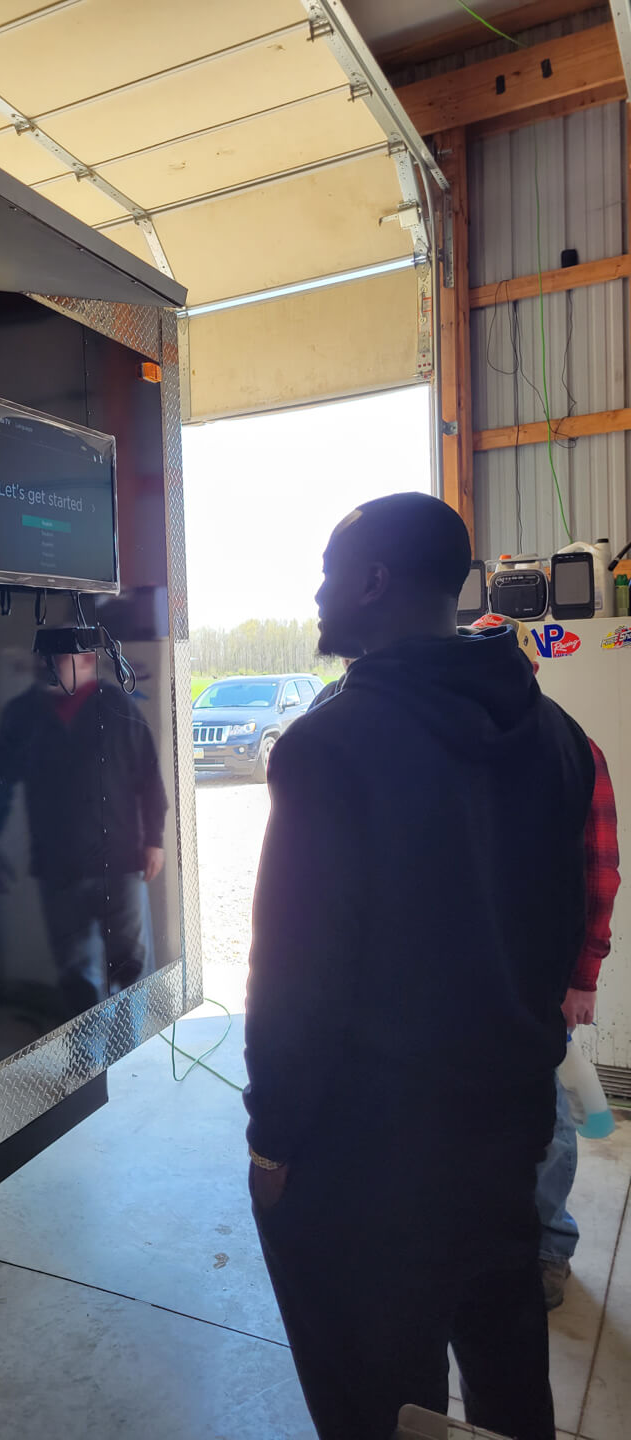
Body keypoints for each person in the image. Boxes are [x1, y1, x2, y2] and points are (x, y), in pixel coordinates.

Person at [245, 494, 596, 1440]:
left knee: (375, 1399)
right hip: (505, 1135)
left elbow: (295, 981)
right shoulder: (561, 741)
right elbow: (562, 931)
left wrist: (273, 1140)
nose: (318, 592)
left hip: (368, 1156)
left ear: (372, 581)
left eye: (328, 570)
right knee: (507, 1372)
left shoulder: (329, 747)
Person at [473, 616, 620, 1310]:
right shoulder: (455, 752)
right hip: (464, 981)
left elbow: (600, 869)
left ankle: (547, 1245)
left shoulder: (572, 749)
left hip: (535, 979)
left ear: (530, 673)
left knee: (548, 1121)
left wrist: (583, 976)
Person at [0, 644, 167, 1017]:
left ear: (88, 661)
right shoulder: (24, 714)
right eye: (42, 659)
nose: (45, 667)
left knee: (128, 967)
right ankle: (90, 1061)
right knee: (76, 971)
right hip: (57, 867)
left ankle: (130, 1056)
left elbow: (149, 779)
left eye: (57, 659)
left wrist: (155, 841)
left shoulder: (119, 708)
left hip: (121, 863)